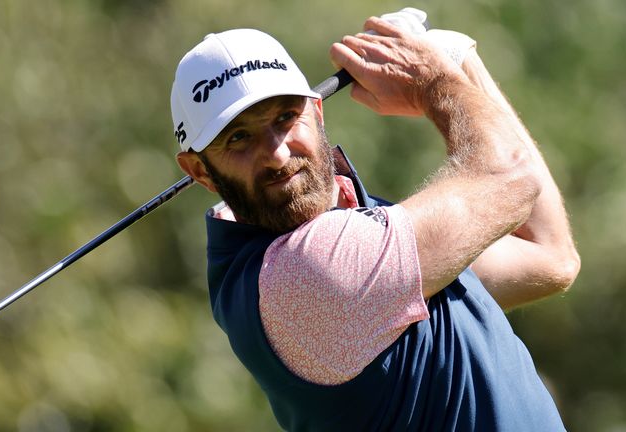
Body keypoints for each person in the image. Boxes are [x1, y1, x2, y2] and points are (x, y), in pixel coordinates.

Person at [170, 11, 580, 432]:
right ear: (199, 171)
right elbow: (512, 178)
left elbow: (548, 256)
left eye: (285, 118)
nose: (275, 152)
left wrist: (459, 60)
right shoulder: (303, 275)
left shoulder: (372, 239)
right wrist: (435, 81)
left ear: (318, 112)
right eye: (239, 137)